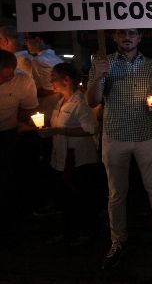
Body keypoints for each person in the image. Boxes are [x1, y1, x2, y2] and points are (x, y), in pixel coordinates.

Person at [86, 28, 152, 270]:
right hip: (115, 136)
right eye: (122, 33)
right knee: (116, 192)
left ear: (140, 37)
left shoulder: (151, 65)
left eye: (132, 33)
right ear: (113, 37)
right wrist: (99, 77)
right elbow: (92, 101)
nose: (127, 37)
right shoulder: (104, 63)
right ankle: (117, 240)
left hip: (145, 134)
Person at [37, 63, 102, 245]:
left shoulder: (80, 102)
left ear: (66, 80)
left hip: (78, 159)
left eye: (54, 78)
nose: (51, 81)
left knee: (80, 197)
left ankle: (84, 233)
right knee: (65, 198)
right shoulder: (61, 101)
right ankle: (68, 232)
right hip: (62, 158)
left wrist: (57, 131)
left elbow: (91, 129)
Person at [0, 50, 38, 232]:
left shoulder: (23, 81)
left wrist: (24, 125)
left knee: (8, 174)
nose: (3, 81)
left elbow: (28, 108)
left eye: (7, 77)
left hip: (8, 133)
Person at [24, 32, 63, 126]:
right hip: (60, 104)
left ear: (37, 39)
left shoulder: (39, 59)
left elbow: (47, 89)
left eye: (27, 39)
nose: (26, 43)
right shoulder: (57, 58)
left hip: (46, 107)